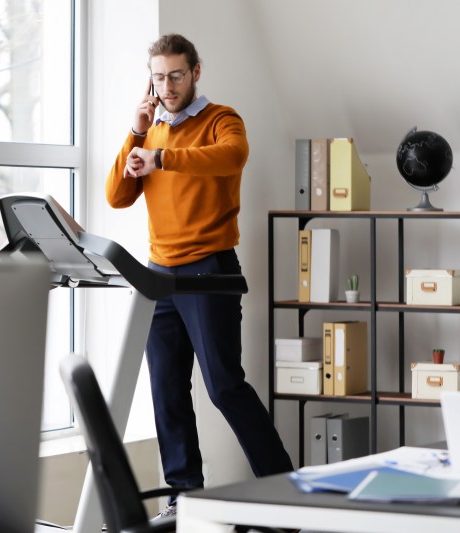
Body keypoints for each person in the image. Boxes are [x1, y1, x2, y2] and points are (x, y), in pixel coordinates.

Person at [105, 34, 294, 517]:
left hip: (208, 269)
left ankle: (285, 492)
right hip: (157, 275)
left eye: (176, 75)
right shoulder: (151, 132)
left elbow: (231, 158)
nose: (166, 86)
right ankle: (182, 495)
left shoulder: (220, 120)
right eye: (158, 76)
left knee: (224, 385)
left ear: (196, 72)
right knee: (166, 388)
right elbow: (116, 196)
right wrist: (137, 132)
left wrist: (162, 158)